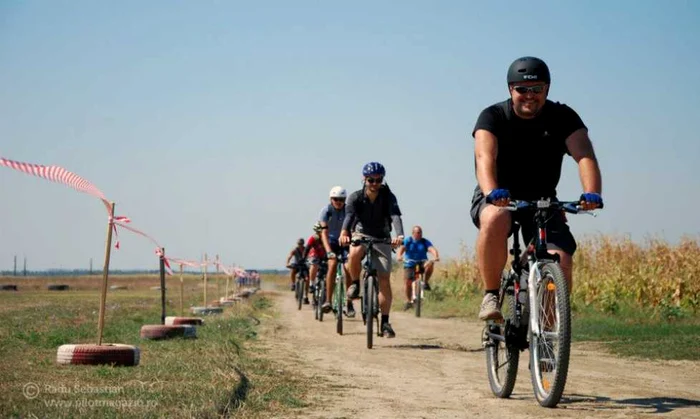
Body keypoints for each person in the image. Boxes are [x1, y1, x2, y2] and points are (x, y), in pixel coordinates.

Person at [470, 56, 603, 321]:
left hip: (543, 201)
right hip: (498, 196)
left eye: (537, 89)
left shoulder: (563, 117)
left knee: (561, 260)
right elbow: (485, 158)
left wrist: (592, 192)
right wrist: (492, 192)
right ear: (511, 89)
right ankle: (491, 294)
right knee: (496, 218)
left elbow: (585, 155)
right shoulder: (493, 116)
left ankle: (548, 344)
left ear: (547, 89)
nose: (529, 96)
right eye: (522, 89)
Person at [339, 162, 405, 338]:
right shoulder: (355, 197)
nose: (374, 183)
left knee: (384, 278)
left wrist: (399, 235)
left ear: (382, 180)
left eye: (378, 180)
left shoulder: (388, 197)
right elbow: (349, 216)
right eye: (371, 180)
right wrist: (344, 232)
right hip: (361, 233)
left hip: (383, 236)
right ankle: (354, 283)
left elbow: (395, 215)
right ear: (364, 179)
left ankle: (385, 322)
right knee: (354, 252)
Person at [318, 186, 355, 317]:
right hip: (332, 242)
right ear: (331, 199)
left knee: (349, 267)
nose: (338, 202)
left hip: (345, 242)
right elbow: (324, 233)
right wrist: (328, 251)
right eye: (335, 199)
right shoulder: (326, 211)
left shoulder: (349, 210)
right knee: (332, 264)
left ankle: (349, 303)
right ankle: (328, 300)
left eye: (341, 199)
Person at [396, 225, 440, 310]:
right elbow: (402, 248)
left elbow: (431, 249)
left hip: (422, 262)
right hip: (410, 263)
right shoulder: (408, 241)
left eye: (421, 232)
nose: (420, 234)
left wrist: (436, 256)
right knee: (408, 282)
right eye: (418, 232)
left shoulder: (424, 241)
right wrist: (399, 256)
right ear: (413, 233)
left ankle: (425, 282)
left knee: (430, 264)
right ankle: (409, 301)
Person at [302, 223, 327, 305]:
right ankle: (311, 284)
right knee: (314, 264)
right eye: (318, 232)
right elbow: (307, 248)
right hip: (315, 255)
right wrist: (303, 258)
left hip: (324, 256)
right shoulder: (313, 238)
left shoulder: (328, 237)